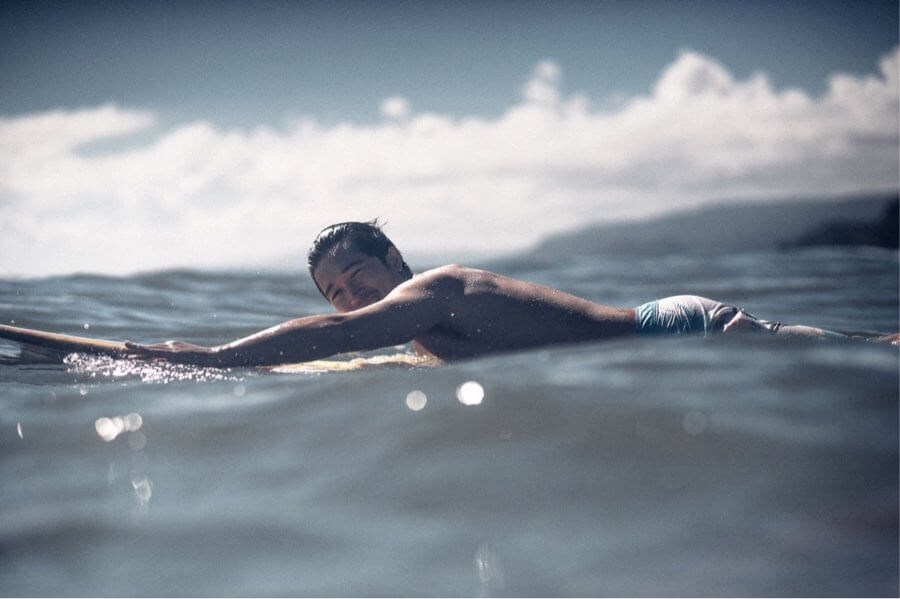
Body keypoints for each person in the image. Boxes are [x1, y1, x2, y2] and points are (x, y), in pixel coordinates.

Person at [125, 220, 898, 366]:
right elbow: (344, 356)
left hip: (685, 334)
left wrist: (214, 357)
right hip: (665, 340)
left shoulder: (437, 288)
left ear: (393, 260)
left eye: (356, 276)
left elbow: (329, 340)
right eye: (332, 292)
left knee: (867, 358)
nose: (347, 300)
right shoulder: (414, 336)